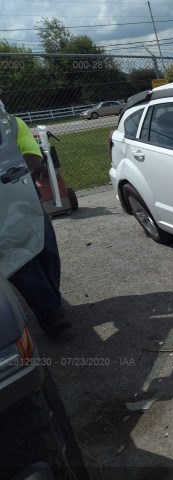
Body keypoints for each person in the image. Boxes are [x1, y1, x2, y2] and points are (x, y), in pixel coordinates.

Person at [4, 103, 71, 338]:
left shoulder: (11, 123)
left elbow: (32, 157)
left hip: (21, 194)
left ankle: (50, 303)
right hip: (14, 199)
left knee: (44, 248)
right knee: (19, 258)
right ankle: (50, 313)